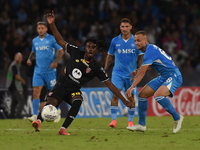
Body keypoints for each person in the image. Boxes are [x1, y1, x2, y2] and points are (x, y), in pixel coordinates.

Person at [31, 10, 134, 135]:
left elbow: (110, 85)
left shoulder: (96, 68)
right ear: (85, 48)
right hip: (61, 85)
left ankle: (63, 129)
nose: (90, 49)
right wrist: (52, 24)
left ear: (97, 50)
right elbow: (59, 41)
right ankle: (39, 121)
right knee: (51, 104)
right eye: (88, 47)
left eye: (93, 48)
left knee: (78, 100)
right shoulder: (75, 51)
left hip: (73, 89)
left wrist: (124, 101)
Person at [125, 31, 184, 134]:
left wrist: (131, 87)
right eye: (135, 41)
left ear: (145, 41)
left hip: (173, 76)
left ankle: (177, 117)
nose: (136, 43)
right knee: (142, 95)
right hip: (163, 77)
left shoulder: (149, 52)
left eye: (139, 40)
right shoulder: (149, 50)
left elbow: (142, 73)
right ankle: (141, 125)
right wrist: (137, 70)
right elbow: (145, 69)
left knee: (158, 95)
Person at [104, 18, 143, 128]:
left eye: (127, 26)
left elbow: (141, 57)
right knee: (115, 95)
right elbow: (110, 56)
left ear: (131, 27)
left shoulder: (136, 40)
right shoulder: (115, 41)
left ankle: (130, 121)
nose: (124, 29)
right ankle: (113, 121)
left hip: (131, 75)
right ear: (120, 28)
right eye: (122, 27)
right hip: (118, 74)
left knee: (131, 98)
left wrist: (139, 70)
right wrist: (105, 69)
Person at [27, 21, 64, 123]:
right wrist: (30, 59)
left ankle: (57, 111)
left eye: (42, 28)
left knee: (53, 94)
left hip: (50, 71)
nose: (40, 30)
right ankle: (35, 115)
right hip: (38, 71)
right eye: (38, 28)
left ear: (46, 29)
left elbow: (61, 51)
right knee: (36, 92)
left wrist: (56, 61)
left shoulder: (51, 39)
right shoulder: (35, 41)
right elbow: (33, 52)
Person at [6, 52, 26, 118]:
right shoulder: (14, 65)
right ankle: (18, 115)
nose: (20, 59)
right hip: (13, 85)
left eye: (21, 58)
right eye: (19, 57)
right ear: (15, 58)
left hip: (12, 86)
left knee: (14, 101)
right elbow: (16, 76)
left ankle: (11, 115)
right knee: (21, 99)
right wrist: (23, 80)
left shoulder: (17, 65)